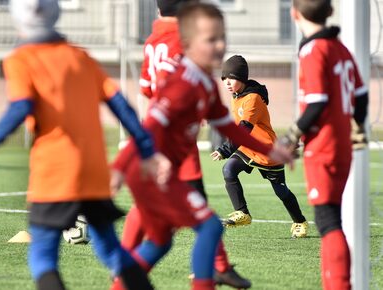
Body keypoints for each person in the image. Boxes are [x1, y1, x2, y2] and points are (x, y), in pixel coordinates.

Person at [0, 0, 171, 289]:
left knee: (42, 256)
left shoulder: (20, 59)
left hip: (54, 172)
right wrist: (147, 149)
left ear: (17, 20)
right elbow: (122, 106)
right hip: (92, 171)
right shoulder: (82, 58)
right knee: (110, 250)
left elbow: (21, 106)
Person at [110, 3, 294, 290]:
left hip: (167, 171)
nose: (219, 46)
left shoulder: (205, 83)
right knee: (208, 226)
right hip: (152, 169)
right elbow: (151, 127)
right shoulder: (182, 81)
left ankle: (122, 281)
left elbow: (229, 127)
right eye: (211, 39)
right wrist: (119, 168)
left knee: (160, 241)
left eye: (222, 37)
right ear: (188, 41)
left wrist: (272, 150)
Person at [124, 0, 251, 288]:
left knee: (157, 221)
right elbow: (178, 87)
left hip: (163, 134)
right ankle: (214, 268)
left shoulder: (153, 41)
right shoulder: (179, 40)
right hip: (173, 138)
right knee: (199, 218)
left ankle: (126, 266)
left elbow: (147, 89)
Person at [281, 0, 369, 289]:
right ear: (331, 11)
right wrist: (356, 125)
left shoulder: (312, 49)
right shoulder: (340, 48)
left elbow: (316, 101)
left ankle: (340, 284)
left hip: (324, 146)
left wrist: (290, 136)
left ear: (294, 14)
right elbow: (362, 94)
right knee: (331, 217)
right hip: (341, 144)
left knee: (329, 221)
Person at [211, 55, 308, 238]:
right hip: (248, 148)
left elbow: (244, 129)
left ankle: (300, 221)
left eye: (231, 78)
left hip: (267, 151)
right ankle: (243, 213)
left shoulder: (253, 98)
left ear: (242, 78)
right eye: (224, 79)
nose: (227, 83)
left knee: (281, 191)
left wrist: (225, 149)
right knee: (229, 170)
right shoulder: (236, 96)